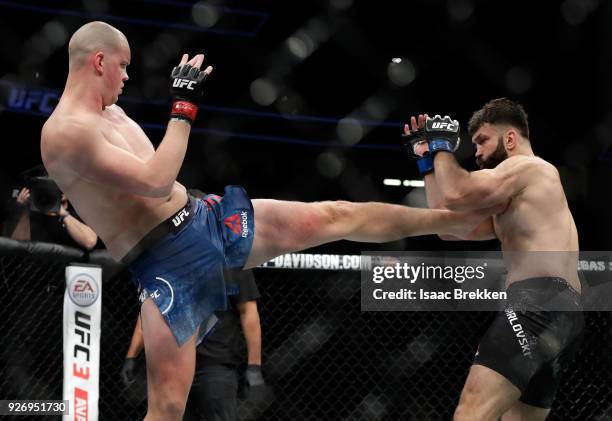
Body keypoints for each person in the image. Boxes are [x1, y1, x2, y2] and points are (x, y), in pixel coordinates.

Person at [40, 21, 486, 421]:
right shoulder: (66, 132)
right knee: (167, 409)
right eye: (123, 66)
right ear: (99, 61)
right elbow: (156, 181)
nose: (127, 76)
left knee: (335, 214)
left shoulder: (111, 113)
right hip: (165, 262)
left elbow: (162, 181)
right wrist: (184, 108)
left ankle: (448, 221)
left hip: (203, 217)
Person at [403, 99, 584, 421]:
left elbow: (458, 193)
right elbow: (448, 226)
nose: (476, 152)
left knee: (472, 411)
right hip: (563, 313)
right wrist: (428, 161)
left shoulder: (528, 167)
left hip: (537, 303)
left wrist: (443, 146)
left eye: (482, 140)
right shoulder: (517, 201)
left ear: (510, 139)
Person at [121, 265, 265, 421]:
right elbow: (149, 310)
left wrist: (254, 367)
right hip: (173, 366)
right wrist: (131, 356)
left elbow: (248, 311)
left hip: (215, 364)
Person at [3, 168, 98, 250]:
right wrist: (23, 209)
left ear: (64, 195)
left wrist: (63, 213)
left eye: (51, 189)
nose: (46, 194)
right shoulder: (34, 215)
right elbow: (18, 248)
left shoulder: (76, 215)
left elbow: (90, 242)